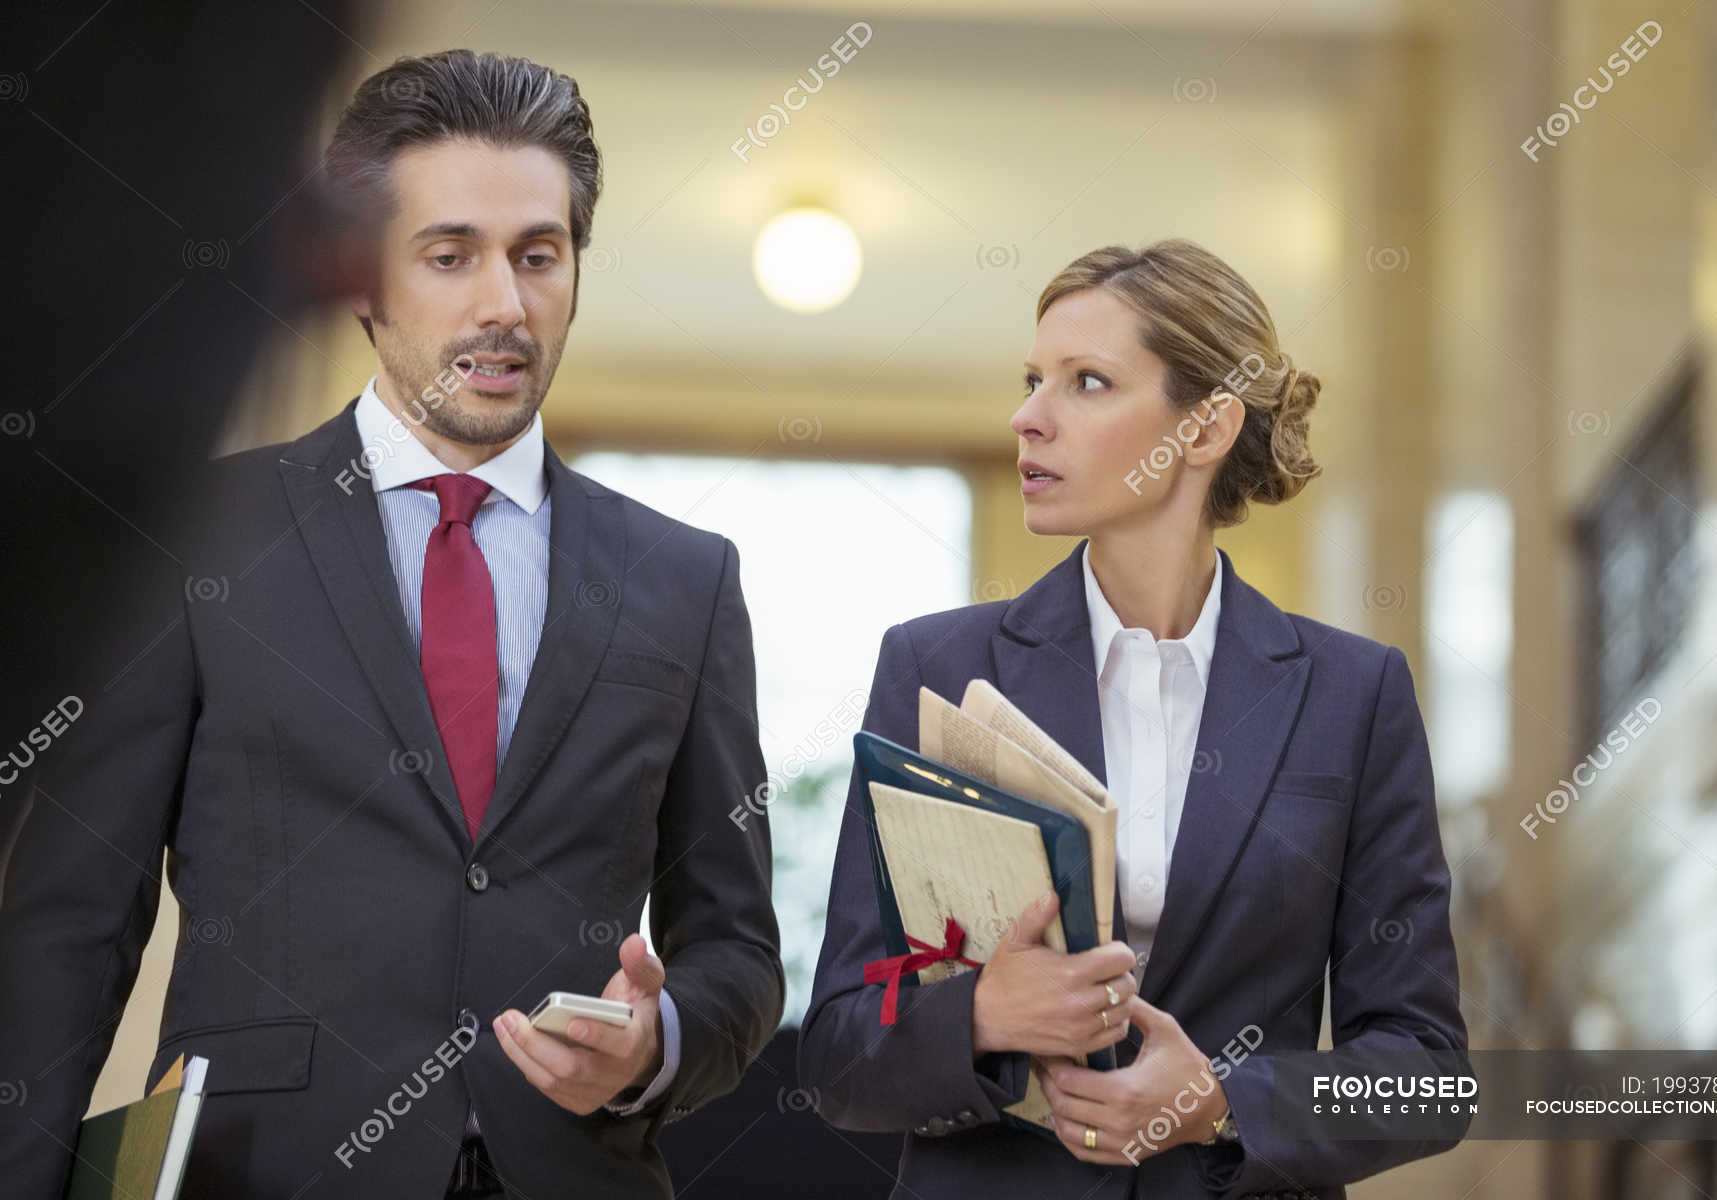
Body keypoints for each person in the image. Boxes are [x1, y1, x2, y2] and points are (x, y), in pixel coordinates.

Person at [0, 49, 782, 1199]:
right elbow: (69, 925)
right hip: (263, 1171)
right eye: (450, 254)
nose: (503, 304)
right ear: (362, 276)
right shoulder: (191, 537)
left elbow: (739, 949)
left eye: (539, 255)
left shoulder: (685, 578)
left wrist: (655, 1047)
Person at [798, 239, 1468, 1199]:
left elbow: (1426, 1075)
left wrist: (1224, 1099)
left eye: (1088, 383)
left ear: (1204, 429)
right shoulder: (934, 667)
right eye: (1033, 381)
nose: (1028, 419)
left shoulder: (1353, 695)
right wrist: (982, 1013)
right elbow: (835, 1057)